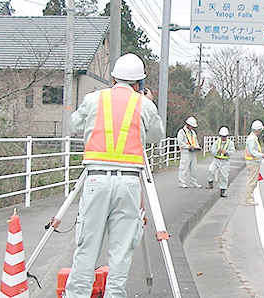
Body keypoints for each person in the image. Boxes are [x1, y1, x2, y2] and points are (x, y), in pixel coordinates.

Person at [65, 53, 165, 298]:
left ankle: (77, 295)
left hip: (96, 179)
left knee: (87, 246)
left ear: (112, 78)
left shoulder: (93, 99)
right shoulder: (145, 105)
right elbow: (156, 136)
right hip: (129, 182)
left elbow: (74, 125)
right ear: (139, 84)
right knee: (121, 250)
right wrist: (147, 101)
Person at [206, 126, 235, 197]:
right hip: (216, 160)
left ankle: (223, 190)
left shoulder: (230, 143)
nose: (223, 138)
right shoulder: (217, 142)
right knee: (210, 170)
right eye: (222, 136)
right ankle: (210, 183)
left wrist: (226, 152)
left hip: (225, 161)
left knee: (224, 176)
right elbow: (212, 151)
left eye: (224, 136)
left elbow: (232, 151)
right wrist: (217, 151)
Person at [244, 120, 264, 206]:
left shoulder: (252, 137)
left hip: (254, 162)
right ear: (258, 130)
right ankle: (248, 199)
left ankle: (249, 198)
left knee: (253, 181)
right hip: (252, 162)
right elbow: (252, 151)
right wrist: (261, 155)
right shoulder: (252, 139)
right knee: (252, 182)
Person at [177, 116, 202, 188]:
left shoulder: (193, 132)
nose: (193, 128)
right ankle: (182, 182)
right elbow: (180, 142)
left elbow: (195, 141)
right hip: (185, 152)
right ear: (188, 125)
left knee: (193, 168)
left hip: (193, 151)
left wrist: (197, 147)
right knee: (183, 167)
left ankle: (193, 182)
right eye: (192, 126)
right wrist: (188, 146)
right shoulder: (181, 132)